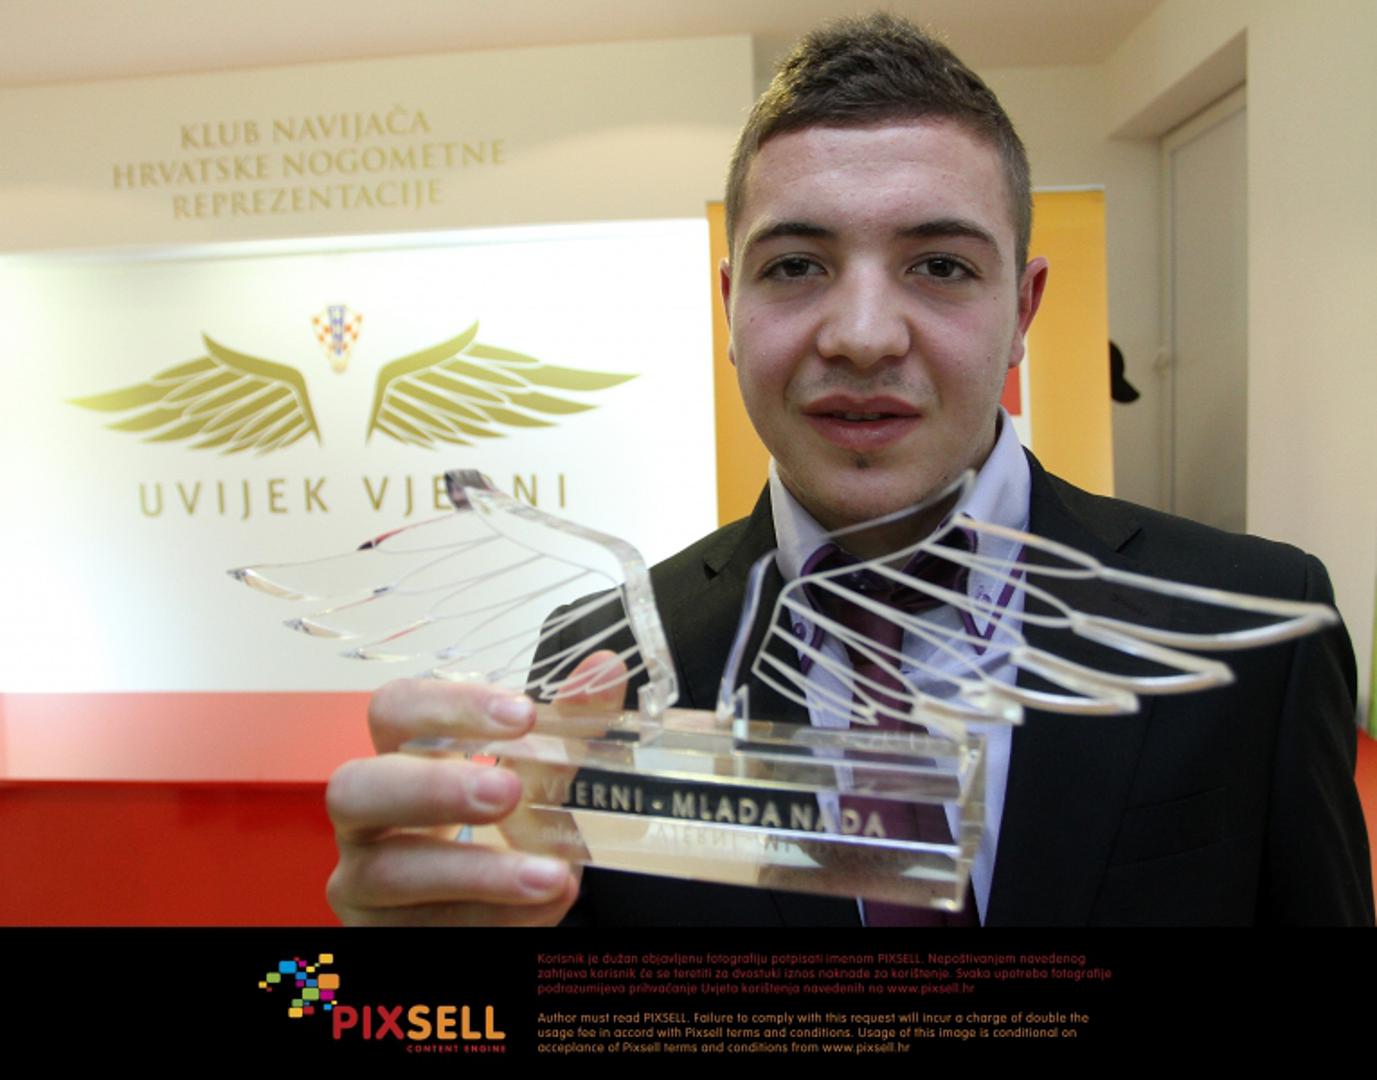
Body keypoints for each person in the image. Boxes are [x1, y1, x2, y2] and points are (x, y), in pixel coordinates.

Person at [325, 13, 1373, 926]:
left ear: (1022, 311)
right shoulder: (608, 667)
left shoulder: (1259, 626)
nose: (863, 335)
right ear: (729, 308)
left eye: (940, 265)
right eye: (796, 266)